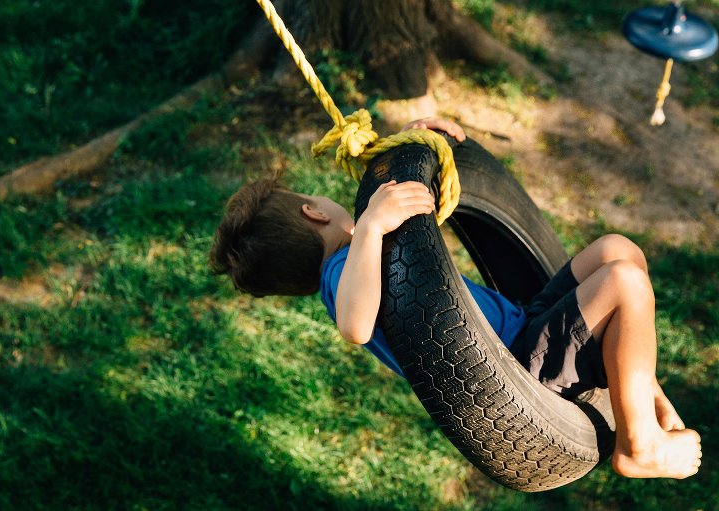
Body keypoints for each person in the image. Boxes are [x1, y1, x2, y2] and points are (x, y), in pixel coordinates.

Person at [210, 118, 702, 479]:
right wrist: (374, 224)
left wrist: (419, 146)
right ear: (313, 210)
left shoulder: (359, 259)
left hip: (522, 330)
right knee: (625, 281)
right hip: (517, 369)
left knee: (616, 249)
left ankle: (641, 388)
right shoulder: (343, 272)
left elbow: (405, 194)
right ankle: (640, 445)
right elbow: (355, 326)